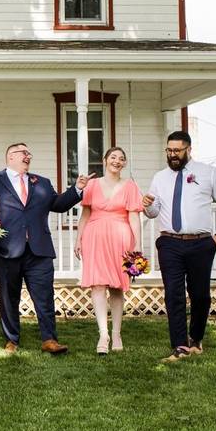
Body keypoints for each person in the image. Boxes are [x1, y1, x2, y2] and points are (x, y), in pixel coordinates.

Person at [0, 143, 91, 355]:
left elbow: (58, 204)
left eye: (29, 153)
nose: (28, 156)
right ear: (11, 156)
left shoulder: (41, 182)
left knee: (45, 297)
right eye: (24, 153)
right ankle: (11, 340)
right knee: (8, 297)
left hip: (39, 250)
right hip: (7, 250)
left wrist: (76, 189)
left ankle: (49, 339)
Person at [142, 131, 216, 362]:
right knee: (174, 294)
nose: (172, 155)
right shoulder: (160, 177)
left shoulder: (208, 172)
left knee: (200, 295)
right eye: (169, 151)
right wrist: (148, 206)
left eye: (177, 151)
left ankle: (196, 339)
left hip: (201, 243)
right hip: (169, 243)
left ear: (188, 150)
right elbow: (154, 213)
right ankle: (180, 346)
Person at [74, 147, 143, 355]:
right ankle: (103, 333)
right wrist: (79, 238)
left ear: (124, 164)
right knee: (97, 285)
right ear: (105, 161)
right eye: (113, 157)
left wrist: (138, 244)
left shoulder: (130, 186)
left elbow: (133, 216)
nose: (117, 161)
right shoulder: (93, 185)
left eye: (121, 159)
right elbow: (85, 213)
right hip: (94, 237)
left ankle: (117, 333)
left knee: (116, 287)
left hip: (120, 238)